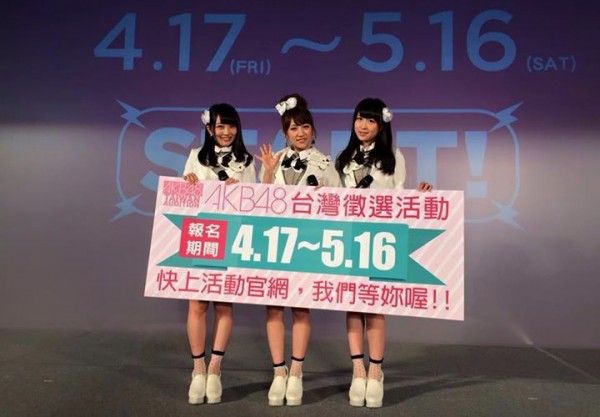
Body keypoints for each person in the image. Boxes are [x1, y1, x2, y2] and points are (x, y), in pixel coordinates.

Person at [335, 97, 432, 408]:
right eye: (359, 119)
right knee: (352, 305)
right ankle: (358, 370)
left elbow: (399, 196)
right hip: (349, 239)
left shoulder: (392, 156)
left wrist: (420, 196)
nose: (363, 125)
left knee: (374, 306)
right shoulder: (343, 158)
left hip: (379, 239)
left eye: (371, 120)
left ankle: (376, 371)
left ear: (382, 125)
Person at [256, 93, 341, 406]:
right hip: (275, 243)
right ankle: (279, 372)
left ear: (313, 129)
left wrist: (326, 196)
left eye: (305, 126)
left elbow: (342, 205)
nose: (300, 132)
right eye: (293, 128)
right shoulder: (274, 159)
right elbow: (258, 204)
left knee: (301, 308)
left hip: (308, 244)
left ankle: (297, 372)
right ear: (285, 132)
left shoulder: (326, 163)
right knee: (274, 308)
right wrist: (267, 173)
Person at [182, 103, 256, 405]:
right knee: (197, 304)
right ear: (209, 128)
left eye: (231, 125)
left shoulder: (247, 160)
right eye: (220, 126)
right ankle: (197, 368)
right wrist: (188, 184)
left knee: (224, 305)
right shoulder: (195, 156)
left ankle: (214, 368)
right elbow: (182, 200)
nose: (226, 132)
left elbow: (255, 204)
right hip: (201, 236)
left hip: (232, 238)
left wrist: (241, 192)